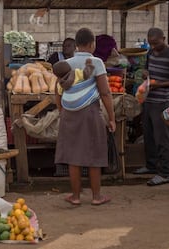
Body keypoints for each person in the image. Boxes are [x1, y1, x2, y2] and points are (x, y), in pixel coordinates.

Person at [54, 28, 116, 206]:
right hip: (90, 113)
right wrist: (111, 118)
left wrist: (61, 111)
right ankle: (96, 197)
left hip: (69, 113)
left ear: (76, 44)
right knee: (94, 153)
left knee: (74, 155)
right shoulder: (96, 62)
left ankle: (75, 196)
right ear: (92, 44)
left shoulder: (66, 63)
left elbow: (57, 93)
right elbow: (105, 92)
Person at [133, 27, 169, 186]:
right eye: (151, 44)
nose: (153, 47)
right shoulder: (150, 53)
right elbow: (147, 69)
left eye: (156, 44)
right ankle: (151, 165)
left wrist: (158, 85)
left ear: (164, 38)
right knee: (148, 135)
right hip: (149, 100)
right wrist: (146, 75)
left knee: (162, 138)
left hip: (163, 102)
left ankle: (165, 173)